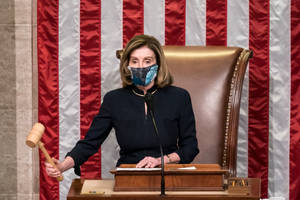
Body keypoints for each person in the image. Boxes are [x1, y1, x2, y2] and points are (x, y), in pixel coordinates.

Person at [46, 34, 199, 178]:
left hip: (169, 173)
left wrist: (161, 160)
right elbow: (90, 142)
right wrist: (63, 166)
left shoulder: (179, 97)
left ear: (157, 64)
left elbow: (190, 147)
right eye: (134, 61)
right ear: (127, 66)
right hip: (129, 175)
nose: (141, 66)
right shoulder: (114, 100)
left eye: (147, 61)